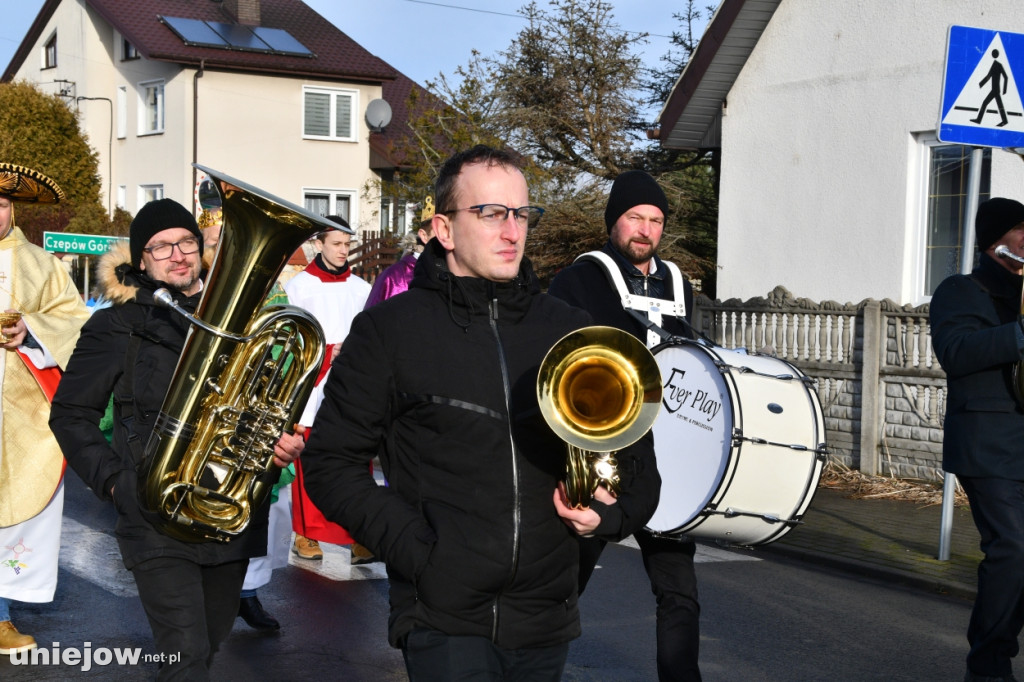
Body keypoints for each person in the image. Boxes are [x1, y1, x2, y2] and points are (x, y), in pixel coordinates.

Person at [300, 144, 660, 680]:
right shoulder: (389, 331)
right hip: (442, 617)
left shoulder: (570, 329)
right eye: (491, 213)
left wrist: (606, 516)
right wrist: (421, 552)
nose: (512, 231)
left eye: (521, 214)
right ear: (443, 230)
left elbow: (639, 466)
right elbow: (331, 463)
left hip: (547, 617)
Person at [49, 198, 304, 678]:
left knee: (208, 644)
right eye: (160, 246)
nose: (178, 253)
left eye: (186, 240)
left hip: (228, 513)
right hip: (153, 513)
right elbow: (70, 414)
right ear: (140, 258)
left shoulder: (241, 321)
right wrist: (114, 484)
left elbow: (263, 409)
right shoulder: (113, 326)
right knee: (184, 654)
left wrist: (277, 445)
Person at [547, 169, 700, 682]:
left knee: (679, 587)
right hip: (601, 450)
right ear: (614, 221)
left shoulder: (678, 283)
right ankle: (532, 668)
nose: (646, 229)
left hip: (667, 451)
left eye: (656, 220)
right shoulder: (579, 278)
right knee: (570, 578)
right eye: (635, 217)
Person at [930, 197, 1024, 682]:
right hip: (987, 441)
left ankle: (997, 651)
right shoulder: (961, 290)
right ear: (996, 240)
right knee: (1012, 547)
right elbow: (956, 352)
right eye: (1023, 230)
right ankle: (987, 667)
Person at [0, 164, 89, 656]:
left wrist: (29, 329)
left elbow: (74, 320)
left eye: (4, 204)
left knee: (18, 511)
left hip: (23, 410)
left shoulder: (41, 263)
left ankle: (1, 613)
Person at [284, 217, 372, 563]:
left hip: (351, 387)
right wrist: (328, 351)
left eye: (347, 244)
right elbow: (290, 342)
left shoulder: (362, 289)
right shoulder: (298, 288)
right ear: (319, 244)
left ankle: (357, 534)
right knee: (309, 457)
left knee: (356, 457)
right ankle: (307, 533)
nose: (343, 250)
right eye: (336, 244)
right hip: (312, 387)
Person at [363, 197, 435, 309]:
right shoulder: (393, 278)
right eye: (438, 232)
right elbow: (369, 322)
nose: (446, 237)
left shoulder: (456, 272)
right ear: (424, 236)